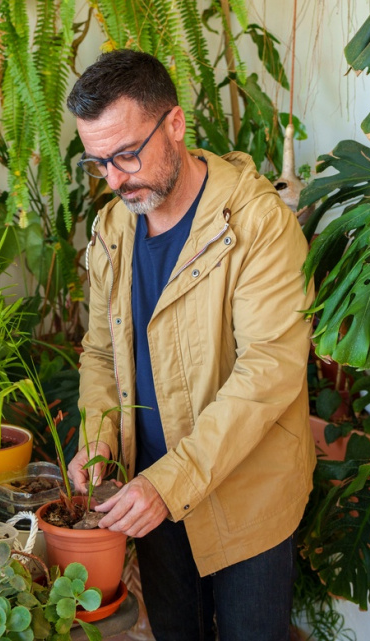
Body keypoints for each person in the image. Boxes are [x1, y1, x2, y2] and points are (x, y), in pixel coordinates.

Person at [66, 49, 316, 641]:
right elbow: (101, 352)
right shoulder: (112, 229)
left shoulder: (257, 223)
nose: (115, 179)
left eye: (127, 154)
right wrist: (98, 439)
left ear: (174, 125)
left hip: (245, 494)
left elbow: (269, 370)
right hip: (148, 488)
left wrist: (170, 481)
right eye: (98, 162)